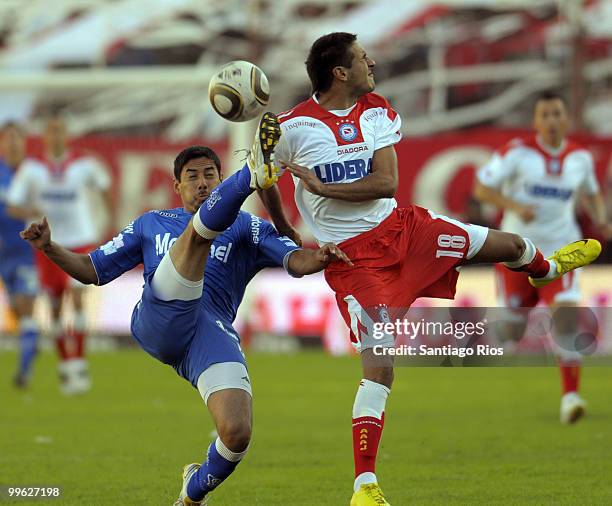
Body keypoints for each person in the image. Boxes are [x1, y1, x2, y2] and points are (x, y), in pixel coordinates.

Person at [259, 32, 602, 505]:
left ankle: (543, 268)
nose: (371, 61)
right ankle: (365, 486)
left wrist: (321, 187)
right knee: (380, 369)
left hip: (405, 230)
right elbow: (264, 179)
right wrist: (284, 231)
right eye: (361, 58)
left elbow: (387, 183)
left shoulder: (377, 108)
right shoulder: (293, 127)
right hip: (356, 263)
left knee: (508, 243)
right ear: (340, 72)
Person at [20, 113, 352, 506]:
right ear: (176, 186)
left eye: (210, 174)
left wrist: (321, 258)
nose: (202, 182)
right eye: (192, 176)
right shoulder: (152, 223)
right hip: (159, 318)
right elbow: (91, 270)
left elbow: (295, 261)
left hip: (207, 333)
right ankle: (252, 171)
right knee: (197, 236)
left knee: (236, 432)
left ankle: (192, 493)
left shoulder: (246, 226)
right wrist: (49, 248)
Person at [474, 92, 612, 424]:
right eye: (545, 114)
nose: (551, 120)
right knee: (512, 328)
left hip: (561, 253)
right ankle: (508, 332)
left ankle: (571, 397)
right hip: (519, 253)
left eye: (556, 114)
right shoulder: (516, 153)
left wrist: (602, 219)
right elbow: (481, 189)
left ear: (565, 120)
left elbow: (592, 194)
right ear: (536, 121)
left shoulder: (580, 158)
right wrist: (515, 207)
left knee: (565, 320)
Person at [7, 114, 113, 394]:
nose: (55, 137)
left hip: (80, 239)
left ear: (66, 136)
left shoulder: (83, 164)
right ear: (44, 137)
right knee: (54, 307)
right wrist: (31, 212)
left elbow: (104, 187)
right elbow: (13, 206)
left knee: (78, 299)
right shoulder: (32, 169)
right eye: (50, 132)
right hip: (49, 244)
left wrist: (107, 220)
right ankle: (65, 365)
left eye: (59, 132)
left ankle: (78, 361)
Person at [0, 121, 40, 388]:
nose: (13, 143)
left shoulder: (34, 174)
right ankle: (30, 343)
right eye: (8, 138)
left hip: (27, 252)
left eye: (18, 138)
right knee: (15, 309)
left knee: (26, 306)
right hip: (3, 253)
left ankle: (24, 370)